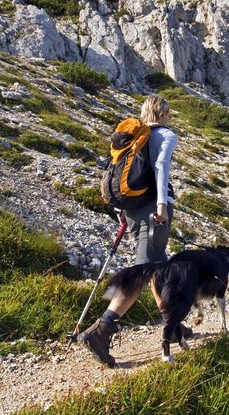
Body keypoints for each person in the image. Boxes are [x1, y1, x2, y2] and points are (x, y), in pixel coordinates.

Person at [81, 94, 180, 367]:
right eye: (168, 113)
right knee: (143, 271)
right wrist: (161, 204)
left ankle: (173, 324)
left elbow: (115, 175)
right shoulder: (165, 135)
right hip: (154, 212)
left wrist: (121, 212)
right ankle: (102, 329)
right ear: (164, 113)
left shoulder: (132, 139)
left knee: (154, 266)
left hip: (133, 211)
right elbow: (161, 166)